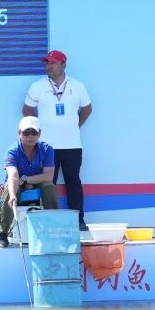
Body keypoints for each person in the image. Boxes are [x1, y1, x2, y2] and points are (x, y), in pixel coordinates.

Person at [23, 49, 92, 230]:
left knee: (73, 182)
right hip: (46, 147)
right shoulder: (37, 86)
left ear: (63, 64)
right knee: (47, 184)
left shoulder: (77, 86)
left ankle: (78, 220)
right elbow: (27, 110)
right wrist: (39, 130)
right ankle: (47, 221)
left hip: (72, 145)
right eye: (47, 63)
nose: (49, 66)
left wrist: (74, 126)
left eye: (53, 63)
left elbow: (87, 109)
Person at [0, 116, 57, 248]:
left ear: (39, 133)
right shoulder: (12, 151)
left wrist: (26, 179)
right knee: (10, 189)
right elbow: (13, 175)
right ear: (19, 133)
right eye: (26, 132)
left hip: (35, 181)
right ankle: (2, 231)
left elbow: (48, 176)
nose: (30, 136)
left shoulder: (47, 149)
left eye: (33, 132)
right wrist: (13, 195)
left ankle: (53, 228)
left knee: (49, 186)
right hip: (17, 182)